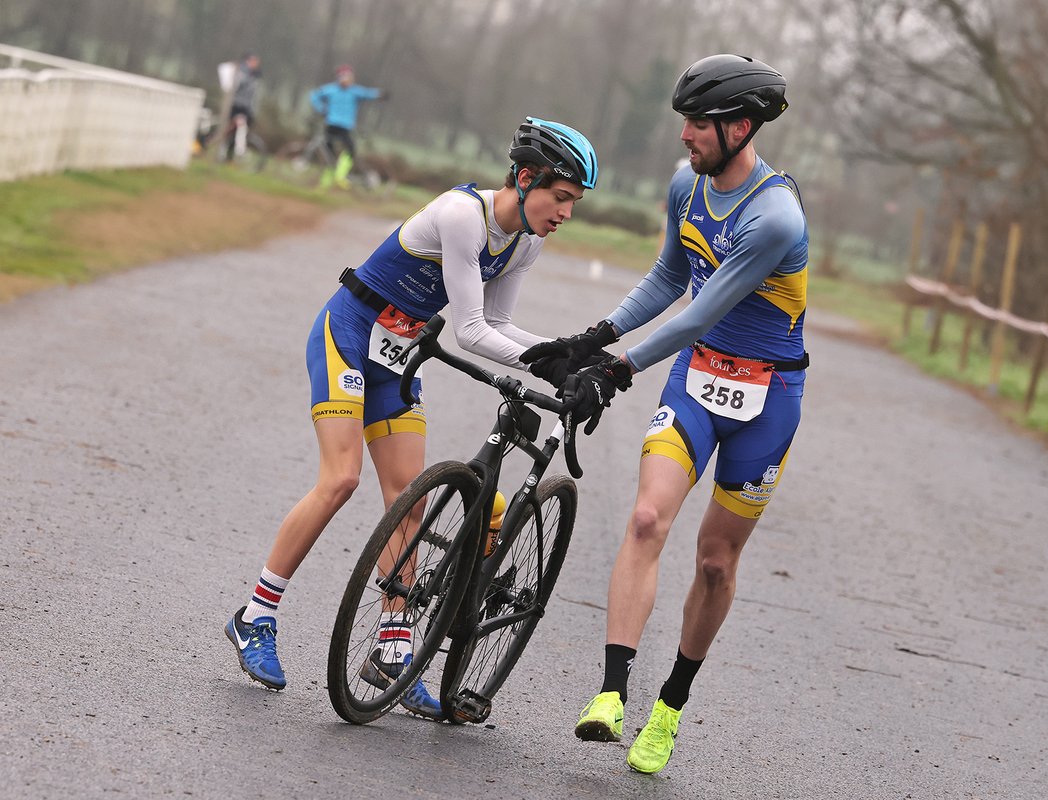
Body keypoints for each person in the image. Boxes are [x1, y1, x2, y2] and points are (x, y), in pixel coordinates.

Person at [224, 118, 600, 718]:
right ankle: (255, 615)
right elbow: (472, 331)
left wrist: (576, 356)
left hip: (400, 351)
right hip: (348, 331)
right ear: (526, 179)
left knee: (410, 500)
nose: (565, 214)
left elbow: (501, 326)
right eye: (560, 198)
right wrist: (554, 365)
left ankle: (392, 650)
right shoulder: (461, 215)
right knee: (340, 479)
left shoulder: (525, 241)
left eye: (573, 204)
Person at [520, 54, 808, 774]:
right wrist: (597, 335)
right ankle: (611, 694)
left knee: (715, 563)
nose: (685, 135)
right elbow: (670, 279)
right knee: (648, 520)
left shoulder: (774, 217)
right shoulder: (688, 187)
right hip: (697, 380)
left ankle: (669, 708)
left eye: (698, 123)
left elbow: (705, 310)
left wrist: (617, 371)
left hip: (768, 401)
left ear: (740, 128)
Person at [308, 64, 387, 189]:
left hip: (345, 126)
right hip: (332, 124)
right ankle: (325, 183)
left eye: (349, 77)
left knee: (350, 150)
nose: (347, 80)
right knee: (329, 155)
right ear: (339, 78)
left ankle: (340, 175)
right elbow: (314, 96)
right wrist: (322, 109)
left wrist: (380, 95)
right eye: (344, 77)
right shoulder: (331, 89)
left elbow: (368, 94)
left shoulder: (354, 91)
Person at [223, 52, 262, 161]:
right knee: (231, 132)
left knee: (239, 133)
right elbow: (235, 86)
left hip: (246, 109)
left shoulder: (254, 75)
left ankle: (230, 156)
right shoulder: (241, 73)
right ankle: (226, 154)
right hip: (237, 106)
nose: (255, 64)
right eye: (253, 61)